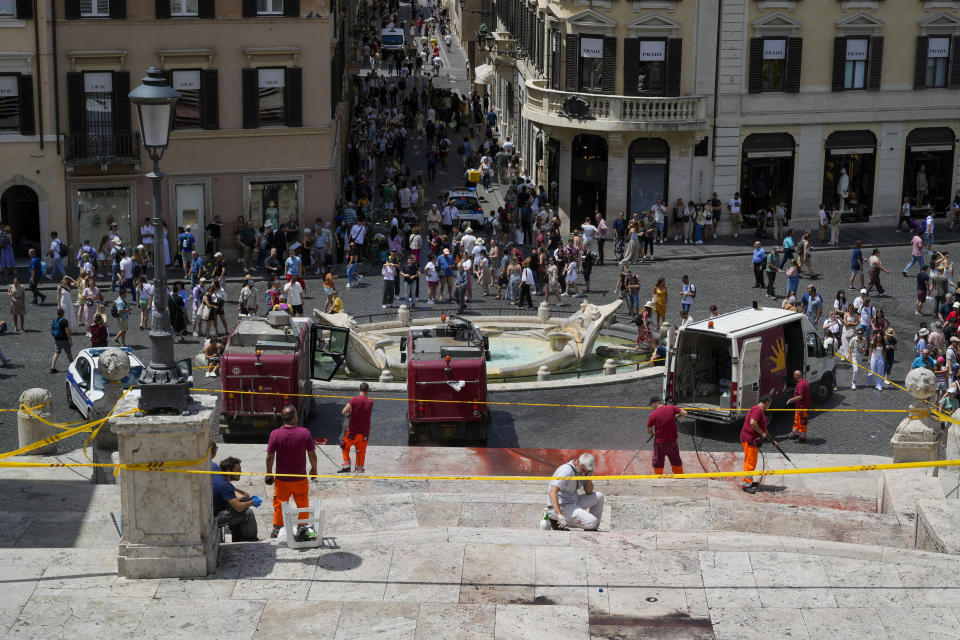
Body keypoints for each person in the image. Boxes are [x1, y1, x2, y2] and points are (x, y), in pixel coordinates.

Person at [265, 406, 318, 541]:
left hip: (282, 480)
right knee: (303, 503)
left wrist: (269, 473)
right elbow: (312, 454)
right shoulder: (305, 433)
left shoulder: (275, 434)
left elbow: (270, 456)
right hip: (300, 478)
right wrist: (314, 469)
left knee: (279, 503)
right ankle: (303, 528)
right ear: (295, 417)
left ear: (283, 418)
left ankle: (277, 529)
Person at [545, 453, 604, 530]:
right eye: (583, 470)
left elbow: (589, 492)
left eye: (587, 471)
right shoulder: (566, 471)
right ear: (578, 462)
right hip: (562, 506)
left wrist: (588, 478)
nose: (584, 472)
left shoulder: (583, 471)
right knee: (592, 522)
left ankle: (592, 528)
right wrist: (559, 514)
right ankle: (555, 520)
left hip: (573, 501)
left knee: (599, 496)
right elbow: (552, 492)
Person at [213, 456, 260, 542]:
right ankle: (251, 540)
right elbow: (238, 507)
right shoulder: (225, 486)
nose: (241, 473)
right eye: (238, 470)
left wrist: (236, 490)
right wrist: (252, 502)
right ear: (228, 472)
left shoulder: (220, 477)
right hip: (216, 517)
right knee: (247, 513)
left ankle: (237, 538)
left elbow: (245, 495)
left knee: (240, 504)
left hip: (217, 510)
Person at [647, 397, 687, 475]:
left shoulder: (653, 414)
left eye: (651, 405)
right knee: (675, 459)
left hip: (660, 443)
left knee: (658, 460)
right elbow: (684, 413)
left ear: (654, 404)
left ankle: (658, 478)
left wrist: (653, 433)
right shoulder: (671, 407)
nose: (652, 407)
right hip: (672, 442)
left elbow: (649, 429)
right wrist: (676, 417)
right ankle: (680, 477)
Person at [741, 396, 772, 494]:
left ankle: (749, 481)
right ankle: (746, 485)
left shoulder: (758, 411)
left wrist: (771, 440)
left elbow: (764, 428)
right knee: (750, 463)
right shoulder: (757, 411)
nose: (769, 406)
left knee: (751, 462)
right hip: (750, 440)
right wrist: (762, 434)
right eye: (769, 404)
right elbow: (753, 423)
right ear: (767, 402)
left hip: (751, 440)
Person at [340, 382, 373, 474]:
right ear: (367, 391)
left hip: (352, 432)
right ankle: (360, 470)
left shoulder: (354, 400)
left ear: (359, 389)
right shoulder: (370, 402)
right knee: (361, 452)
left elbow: (343, 412)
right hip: (364, 434)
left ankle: (346, 467)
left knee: (345, 447)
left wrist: (350, 411)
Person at [786, 371, 810, 443]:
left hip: (802, 408)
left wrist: (791, 399)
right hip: (799, 407)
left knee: (802, 423)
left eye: (794, 375)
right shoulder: (804, 381)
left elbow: (800, 396)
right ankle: (795, 434)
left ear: (797, 376)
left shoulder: (801, 385)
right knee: (797, 421)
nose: (793, 377)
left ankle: (802, 438)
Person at [49, 307, 72, 373]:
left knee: (56, 353)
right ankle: (73, 366)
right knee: (69, 353)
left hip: (57, 339)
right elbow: (67, 331)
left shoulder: (54, 319)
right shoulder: (64, 321)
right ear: (62, 314)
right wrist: (70, 339)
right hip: (64, 340)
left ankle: (52, 368)